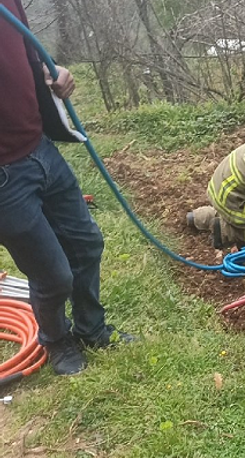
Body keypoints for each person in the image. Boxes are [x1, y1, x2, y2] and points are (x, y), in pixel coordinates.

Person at [0, 0, 135, 376]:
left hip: (40, 149)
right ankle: (57, 342)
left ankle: (92, 329)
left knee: (86, 242)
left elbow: (29, 55)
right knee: (53, 275)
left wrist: (53, 72)